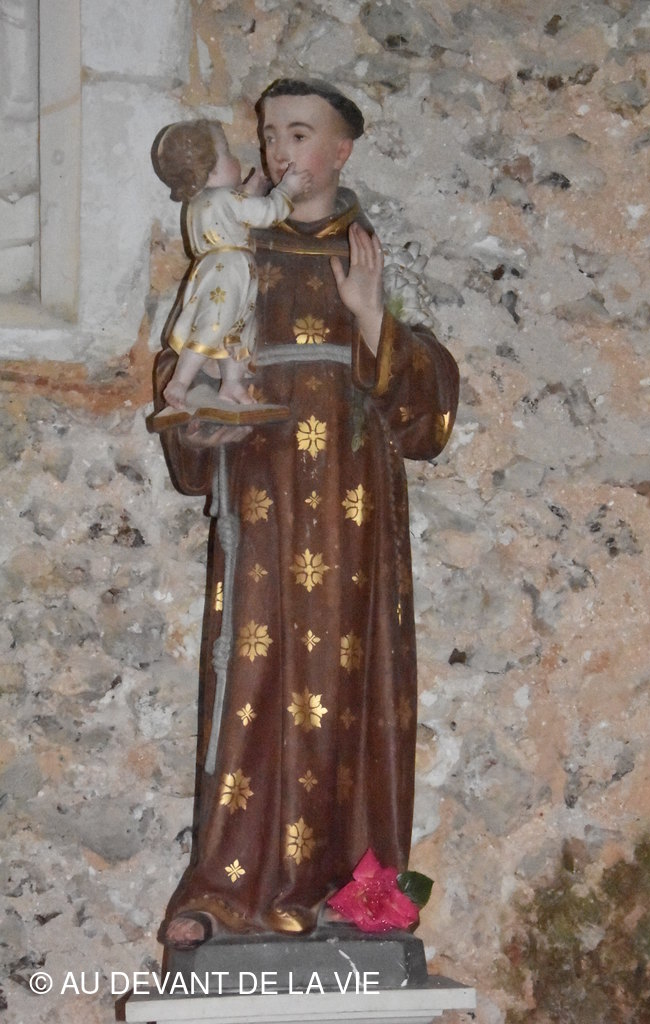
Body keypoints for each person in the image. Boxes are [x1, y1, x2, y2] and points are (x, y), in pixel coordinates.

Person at [153, 79, 460, 949]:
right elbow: (190, 356)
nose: (279, 150)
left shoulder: (370, 255)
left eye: (298, 132)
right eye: (268, 133)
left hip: (355, 514)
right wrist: (199, 419)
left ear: (342, 150)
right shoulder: (236, 250)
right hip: (264, 500)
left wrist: (372, 321)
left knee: (347, 692)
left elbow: (428, 415)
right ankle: (227, 890)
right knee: (250, 686)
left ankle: (351, 889)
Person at [151, 119, 311, 409]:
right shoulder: (222, 198)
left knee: (234, 330)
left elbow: (233, 216)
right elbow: (264, 213)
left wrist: (250, 189)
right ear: (210, 169)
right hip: (227, 273)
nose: (235, 159)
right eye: (227, 153)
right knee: (214, 324)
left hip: (227, 270)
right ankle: (180, 381)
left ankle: (231, 385)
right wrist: (287, 189)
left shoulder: (202, 201)